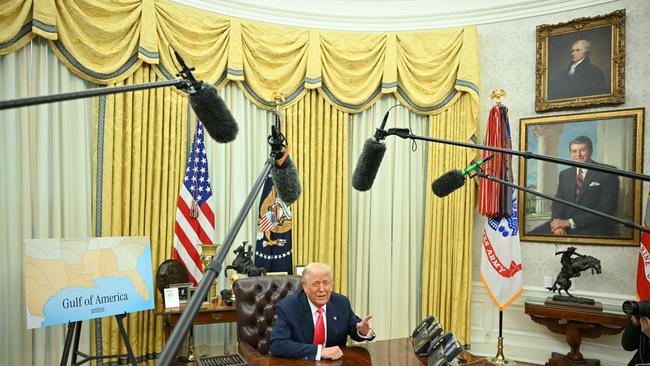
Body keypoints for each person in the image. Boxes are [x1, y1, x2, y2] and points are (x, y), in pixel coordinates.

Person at [269, 262, 375, 360]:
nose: (322, 289)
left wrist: (362, 331)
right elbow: (277, 344)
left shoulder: (341, 303)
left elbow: (354, 328)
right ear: (305, 287)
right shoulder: (288, 306)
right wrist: (319, 352)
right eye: (315, 284)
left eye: (326, 283)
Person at [531, 136, 619, 236]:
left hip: (592, 227)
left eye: (582, 150)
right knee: (531, 235)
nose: (578, 155)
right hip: (563, 225)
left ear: (591, 151)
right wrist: (557, 225)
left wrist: (569, 222)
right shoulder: (565, 174)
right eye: (574, 151)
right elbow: (558, 203)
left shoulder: (607, 172)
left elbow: (606, 208)